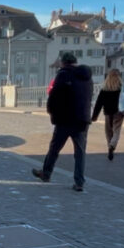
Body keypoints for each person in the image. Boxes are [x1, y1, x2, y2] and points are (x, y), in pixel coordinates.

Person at [32, 52, 93, 192]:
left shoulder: (63, 74)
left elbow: (54, 96)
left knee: (54, 148)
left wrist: (52, 113)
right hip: (82, 119)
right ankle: (79, 182)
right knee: (80, 152)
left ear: (63, 62)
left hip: (65, 119)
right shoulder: (87, 77)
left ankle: (46, 173)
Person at [91, 68, 124, 160]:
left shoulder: (105, 88)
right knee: (117, 130)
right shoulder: (123, 86)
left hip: (107, 112)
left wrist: (94, 116)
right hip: (119, 111)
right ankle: (112, 145)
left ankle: (109, 146)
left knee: (108, 131)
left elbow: (98, 103)